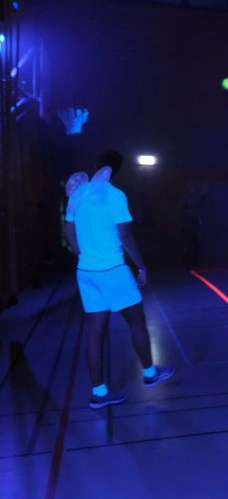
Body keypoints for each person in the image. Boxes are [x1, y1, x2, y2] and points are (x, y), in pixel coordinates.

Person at [65, 150, 175, 409]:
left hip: (86, 272)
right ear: (118, 169)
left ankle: (99, 393)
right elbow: (125, 235)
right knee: (137, 321)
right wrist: (141, 266)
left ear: (96, 165)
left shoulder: (78, 194)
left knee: (95, 331)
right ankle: (150, 373)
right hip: (112, 269)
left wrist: (84, 256)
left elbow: (69, 233)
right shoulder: (115, 195)